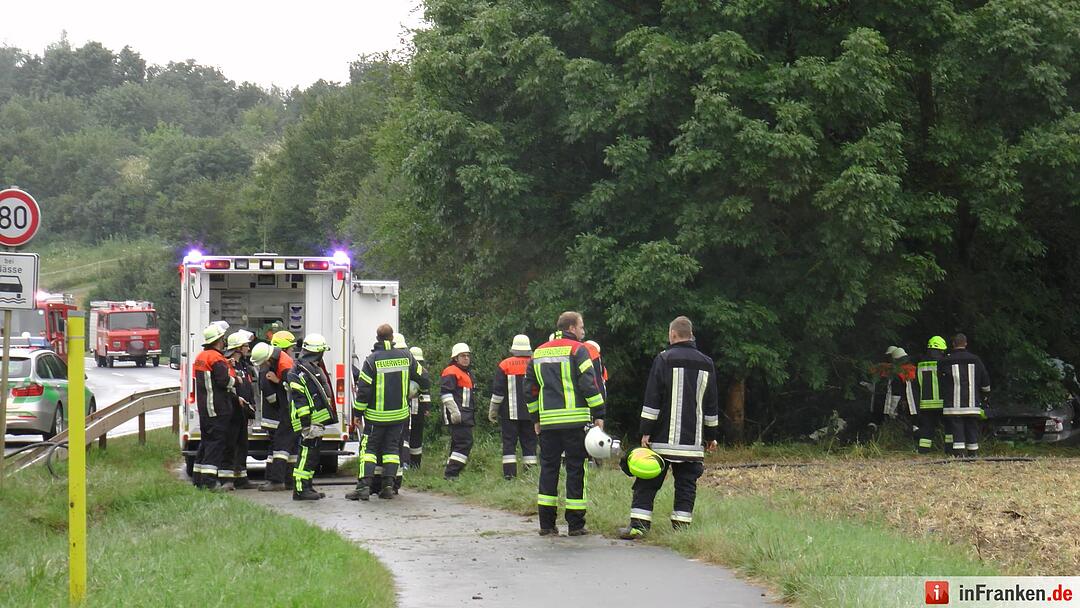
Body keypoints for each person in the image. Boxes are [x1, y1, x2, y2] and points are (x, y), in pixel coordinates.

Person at [618, 316, 719, 539]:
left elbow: (653, 398)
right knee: (686, 486)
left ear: (673, 335)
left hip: (662, 439)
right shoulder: (707, 363)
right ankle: (681, 531)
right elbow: (711, 404)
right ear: (691, 335)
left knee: (647, 481)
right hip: (693, 443)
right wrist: (711, 436)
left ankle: (639, 527)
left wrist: (645, 431)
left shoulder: (664, 359)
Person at [524, 311, 605, 536]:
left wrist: (536, 419)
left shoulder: (538, 352)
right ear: (571, 327)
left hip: (548, 423)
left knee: (548, 470)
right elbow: (588, 384)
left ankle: (546, 525)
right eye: (581, 327)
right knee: (576, 469)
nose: (583, 331)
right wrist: (599, 412)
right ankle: (576, 525)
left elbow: (530, 389)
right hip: (575, 421)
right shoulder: (579, 350)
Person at [346, 326, 429, 501]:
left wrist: (357, 412)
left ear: (377, 338)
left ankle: (363, 487)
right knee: (392, 450)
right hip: (399, 415)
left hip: (375, 417)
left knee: (368, 450)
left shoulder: (371, 360)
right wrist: (413, 389)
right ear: (392, 338)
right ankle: (388, 487)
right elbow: (425, 378)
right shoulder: (406, 357)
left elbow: (363, 391)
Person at [287, 333, 337, 500]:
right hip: (308, 420)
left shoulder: (311, 368)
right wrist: (305, 422)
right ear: (318, 352)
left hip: (316, 420)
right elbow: (299, 398)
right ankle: (300, 489)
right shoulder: (298, 372)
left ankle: (308, 485)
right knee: (306, 453)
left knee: (313, 454)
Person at [192, 322, 234, 491]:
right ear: (218, 340)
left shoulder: (202, 356)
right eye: (223, 339)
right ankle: (210, 482)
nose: (224, 342)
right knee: (216, 444)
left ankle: (198, 479)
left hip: (205, 408)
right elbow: (224, 381)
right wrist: (234, 377)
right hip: (218, 408)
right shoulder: (216, 358)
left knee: (206, 443)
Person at [489, 334, 538, 479]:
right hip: (531, 413)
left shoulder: (504, 365)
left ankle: (509, 476)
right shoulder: (535, 363)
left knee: (509, 444)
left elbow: (498, 393)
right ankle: (530, 475)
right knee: (529, 443)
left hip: (509, 414)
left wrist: (493, 411)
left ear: (513, 349)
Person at [253, 338, 297, 491]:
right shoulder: (280, 360)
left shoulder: (284, 366)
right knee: (290, 448)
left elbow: (294, 388)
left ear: (268, 359)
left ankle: (277, 481)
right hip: (291, 409)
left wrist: (278, 381)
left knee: (280, 446)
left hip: (290, 410)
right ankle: (290, 480)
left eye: (263, 363)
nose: (263, 367)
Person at [940, 333, 990, 457]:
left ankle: (959, 454)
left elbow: (941, 380)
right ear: (966, 343)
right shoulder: (976, 359)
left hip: (953, 404)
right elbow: (985, 379)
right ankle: (973, 453)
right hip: (972, 403)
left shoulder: (946, 360)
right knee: (971, 427)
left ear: (953, 344)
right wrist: (985, 394)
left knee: (956, 428)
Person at [222, 330, 257, 489]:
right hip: (231, 410)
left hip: (243, 410)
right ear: (238, 348)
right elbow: (226, 387)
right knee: (230, 445)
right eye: (245, 345)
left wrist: (251, 403)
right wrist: (237, 399)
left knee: (243, 444)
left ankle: (241, 478)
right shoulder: (228, 364)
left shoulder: (243, 364)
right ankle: (226, 480)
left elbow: (248, 385)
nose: (248, 348)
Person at [442, 342, 477, 480]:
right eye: (463, 356)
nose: (466, 358)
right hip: (459, 415)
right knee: (465, 443)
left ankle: (450, 471)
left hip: (465, 414)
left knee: (458, 444)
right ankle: (451, 473)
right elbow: (446, 394)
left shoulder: (466, 372)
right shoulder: (451, 371)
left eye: (468, 356)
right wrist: (455, 413)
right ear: (455, 358)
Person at [916, 336, 952, 454]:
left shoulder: (920, 363)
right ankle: (949, 451)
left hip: (926, 403)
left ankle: (923, 451)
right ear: (941, 349)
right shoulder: (943, 362)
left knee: (926, 428)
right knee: (949, 427)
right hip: (942, 401)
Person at [406, 346, 431, 468]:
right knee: (409, 435)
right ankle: (408, 463)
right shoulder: (408, 372)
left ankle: (415, 464)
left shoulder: (423, 373)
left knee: (416, 437)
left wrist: (426, 408)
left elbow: (426, 392)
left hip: (417, 409)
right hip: (409, 408)